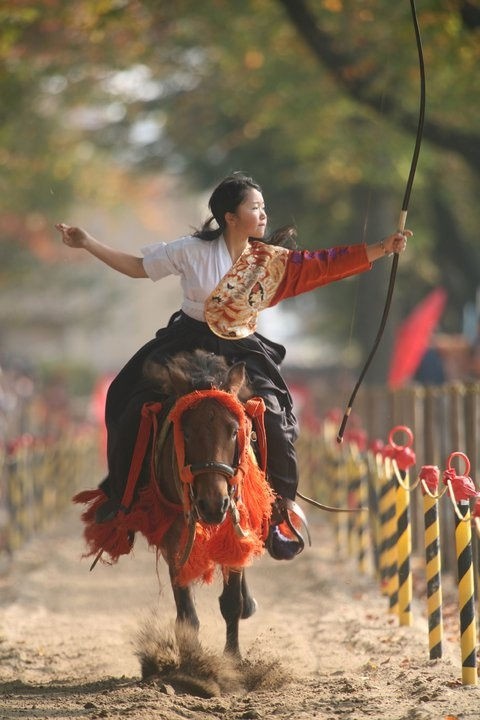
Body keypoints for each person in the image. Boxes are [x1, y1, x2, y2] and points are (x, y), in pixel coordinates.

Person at [55, 172, 410, 560]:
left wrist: (381, 247)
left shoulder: (267, 262)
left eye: (263, 207)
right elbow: (139, 266)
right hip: (186, 343)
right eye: (254, 207)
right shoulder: (190, 251)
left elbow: (322, 264)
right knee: (130, 398)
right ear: (230, 216)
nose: (262, 214)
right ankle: (121, 502)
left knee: (276, 417)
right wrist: (87, 243)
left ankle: (279, 515)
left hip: (243, 350)